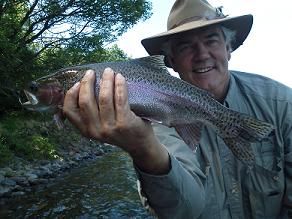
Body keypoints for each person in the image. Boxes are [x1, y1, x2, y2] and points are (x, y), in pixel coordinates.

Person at [62, 0, 292, 218]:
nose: (202, 54)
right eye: (186, 47)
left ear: (229, 47)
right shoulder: (155, 119)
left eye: (211, 40)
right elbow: (183, 212)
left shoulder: (283, 103)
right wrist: (144, 148)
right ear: (170, 61)